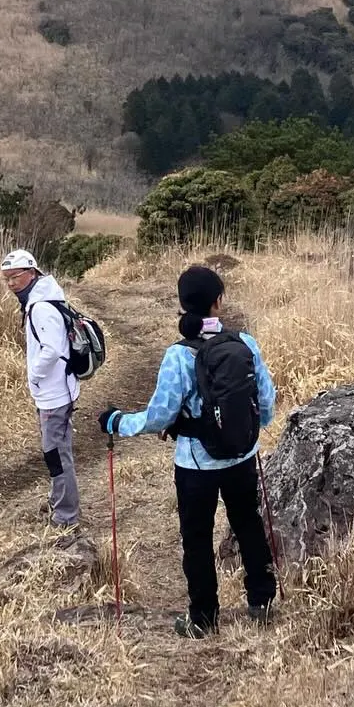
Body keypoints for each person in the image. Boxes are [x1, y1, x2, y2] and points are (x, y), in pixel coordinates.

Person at [98, 264, 277, 637]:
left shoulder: (178, 355)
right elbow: (267, 405)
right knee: (248, 523)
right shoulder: (245, 343)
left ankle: (203, 618)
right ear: (218, 301)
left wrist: (117, 422)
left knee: (197, 538)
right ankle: (261, 602)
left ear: (182, 305)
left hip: (195, 463)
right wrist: (242, 432)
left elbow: (159, 415)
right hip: (243, 455)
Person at [0, 248, 80, 527]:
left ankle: (65, 516)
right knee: (58, 453)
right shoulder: (45, 298)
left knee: (57, 456)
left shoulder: (41, 307)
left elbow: (52, 350)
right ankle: (60, 504)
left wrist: (33, 374)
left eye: (15, 277)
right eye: (6, 278)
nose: (11, 283)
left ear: (32, 272)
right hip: (57, 390)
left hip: (54, 394)